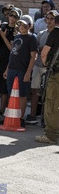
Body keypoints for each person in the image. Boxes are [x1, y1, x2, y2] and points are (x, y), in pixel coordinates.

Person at [2, 15, 38, 128]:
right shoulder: (17, 36)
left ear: (30, 26)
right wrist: (7, 69)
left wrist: (28, 72)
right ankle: (10, 115)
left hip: (22, 70)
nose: (22, 26)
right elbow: (12, 53)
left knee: (22, 94)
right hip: (12, 68)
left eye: (25, 25)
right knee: (11, 93)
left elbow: (33, 56)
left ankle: (20, 117)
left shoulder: (32, 37)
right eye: (21, 24)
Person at [26, 10, 57, 125]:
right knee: (35, 91)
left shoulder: (56, 34)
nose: (49, 21)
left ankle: (46, 118)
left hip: (49, 67)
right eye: (47, 18)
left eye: (51, 19)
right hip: (38, 65)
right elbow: (36, 49)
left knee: (48, 93)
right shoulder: (41, 33)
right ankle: (33, 115)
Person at [35, 11, 59, 144]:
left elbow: (44, 54)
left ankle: (51, 135)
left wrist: (46, 64)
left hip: (55, 73)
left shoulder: (55, 33)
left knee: (52, 103)